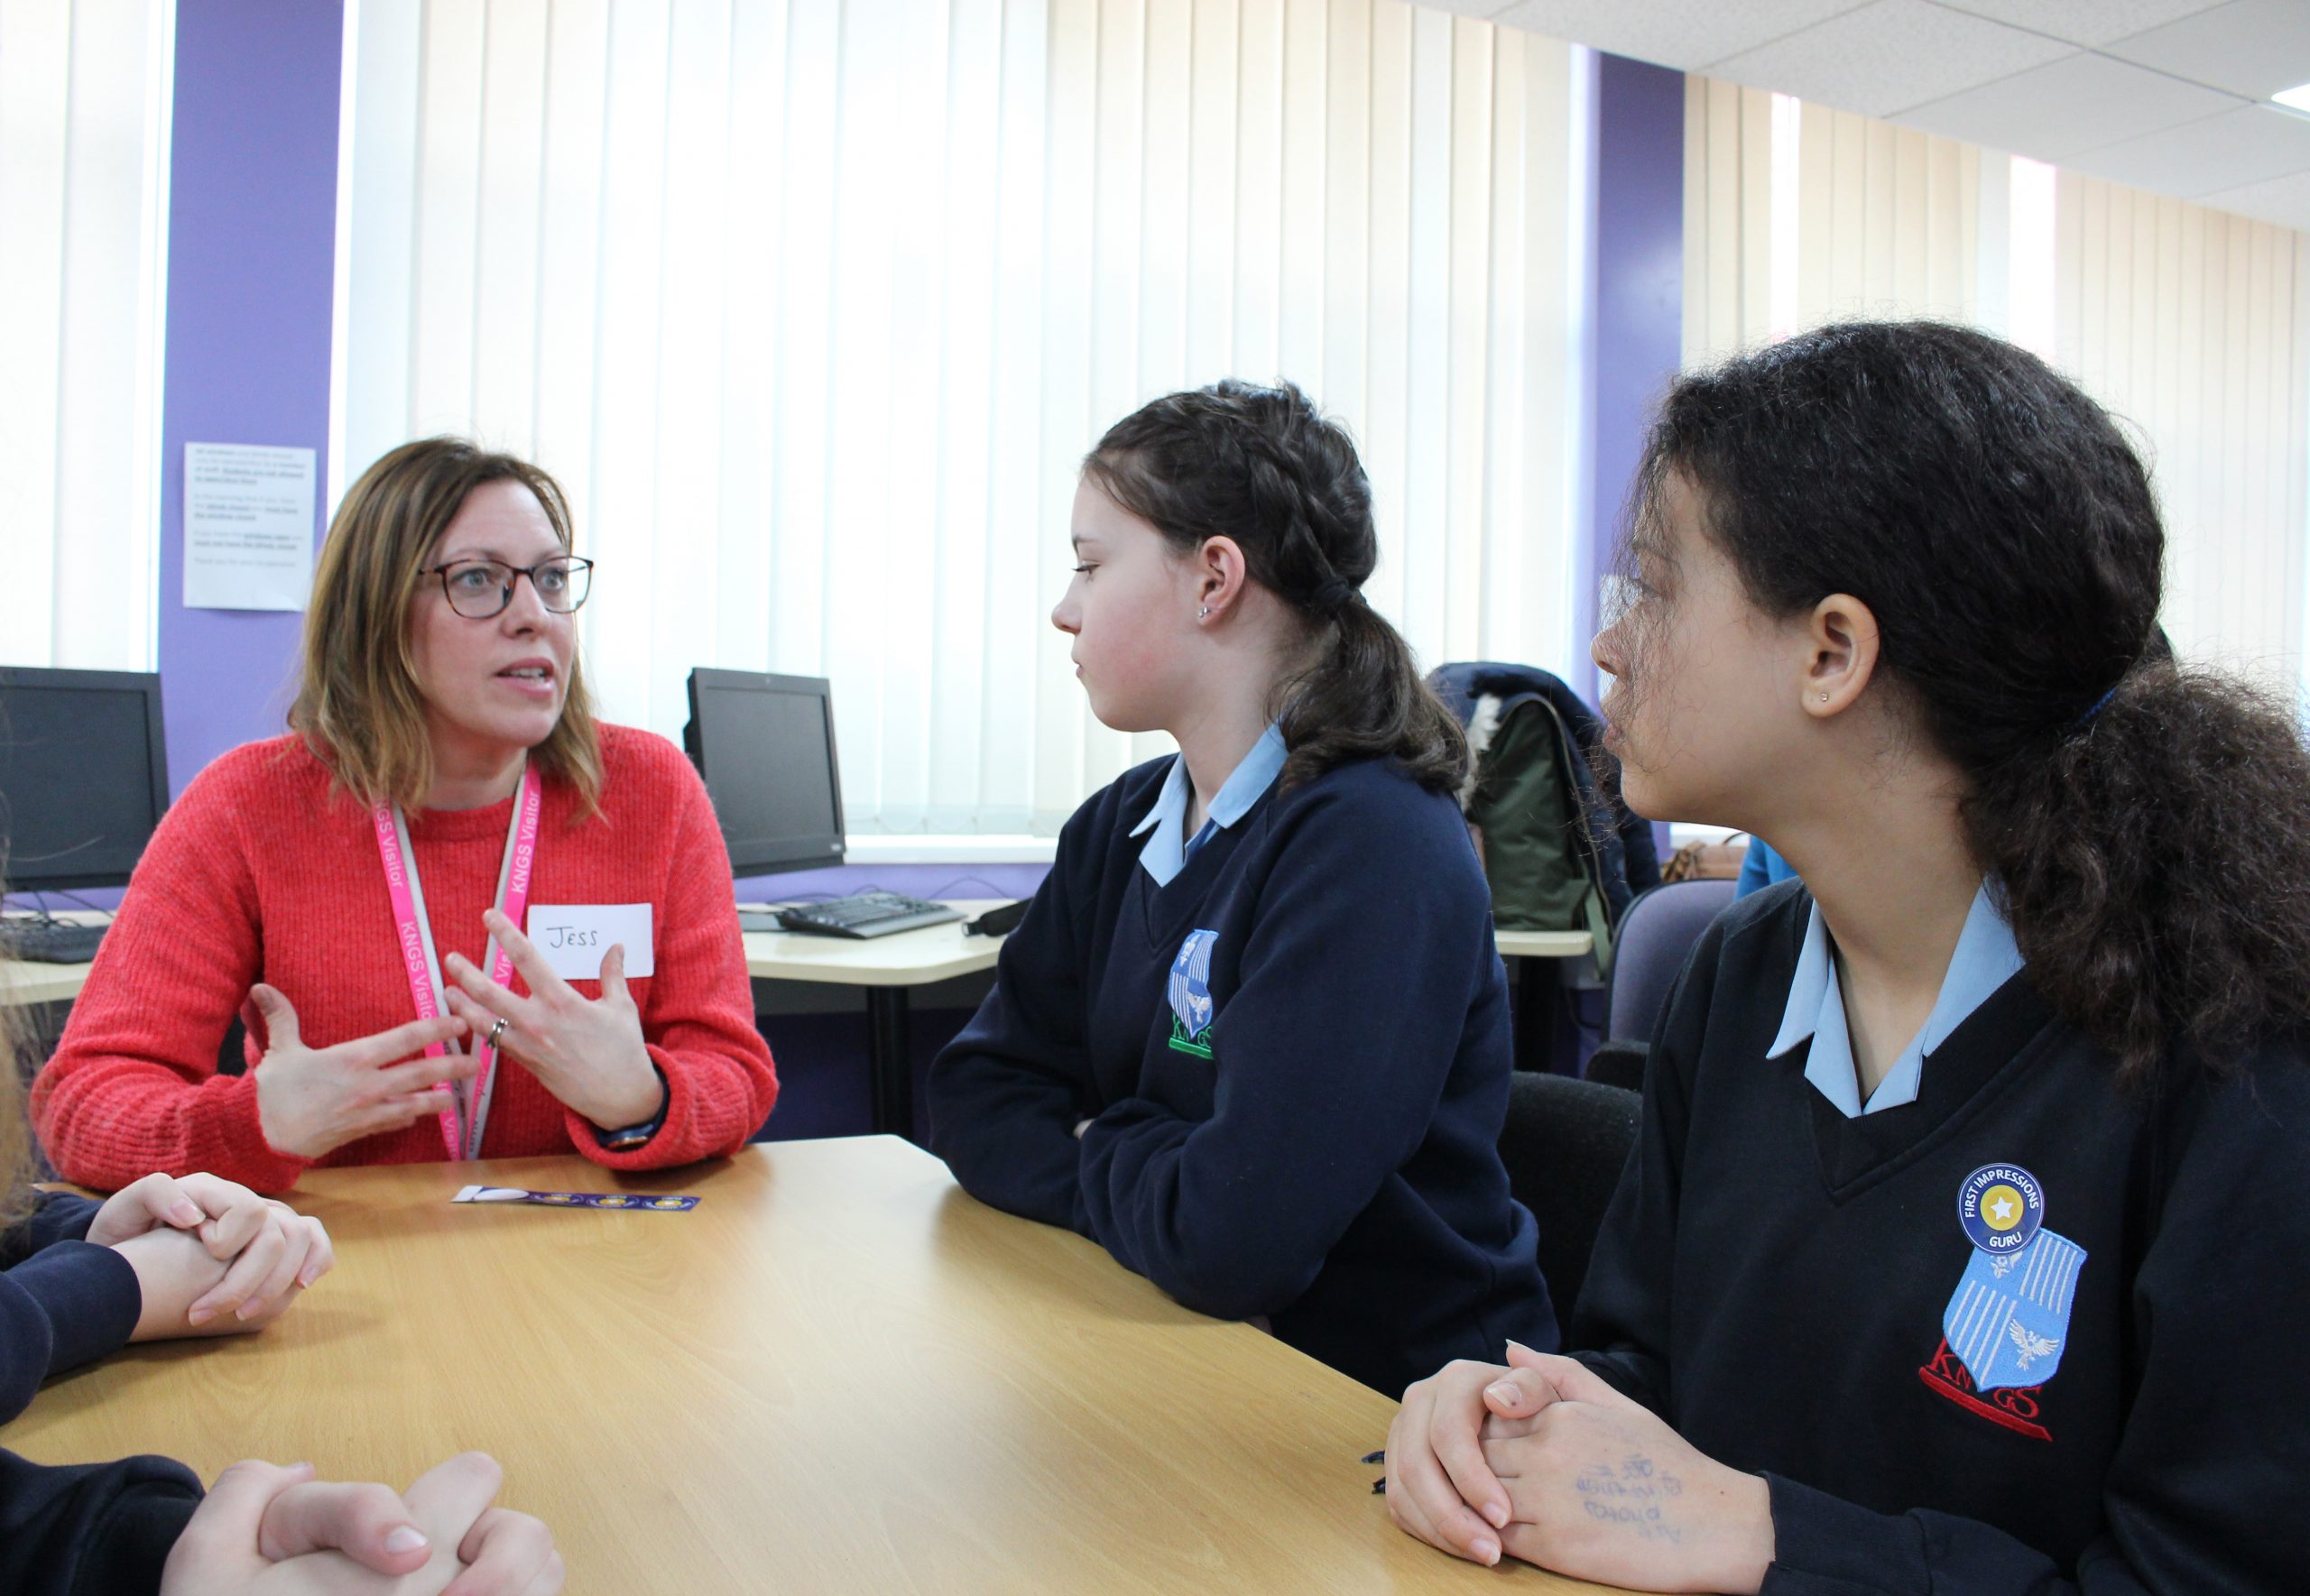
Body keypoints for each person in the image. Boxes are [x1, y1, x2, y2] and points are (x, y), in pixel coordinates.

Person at [1381, 320, 2310, 1591]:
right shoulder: (1741, 971)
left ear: (1832, 652)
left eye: (1654, 588)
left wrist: (1768, 1536)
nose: (1609, 645)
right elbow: (1655, 1379)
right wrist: (1505, 1412)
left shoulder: (2239, 1054)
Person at [927, 381, 1556, 1397]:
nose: (1064, 607)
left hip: (1390, 1406)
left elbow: (1234, 1238)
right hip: (1180, 1344)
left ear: (1213, 578)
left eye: (1090, 564)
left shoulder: (1373, 844)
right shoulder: (1119, 824)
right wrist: (1162, 1175)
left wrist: (1093, 1135)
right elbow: (972, 1099)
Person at [32, 438, 779, 1194]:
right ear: (377, 612)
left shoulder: (652, 790)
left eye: (552, 578)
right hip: (339, 1252)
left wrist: (642, 1097)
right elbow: (84, 1103)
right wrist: (252, 1124)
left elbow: (735, 1072)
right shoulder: (246, 806)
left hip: (592, 1245)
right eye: (478, 579)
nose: (534, 615)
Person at [2, 907, 561, 1593]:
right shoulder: (232, 836)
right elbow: (82, 1104)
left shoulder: (664, 828)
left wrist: (646, 1098)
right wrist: (116, 1278)